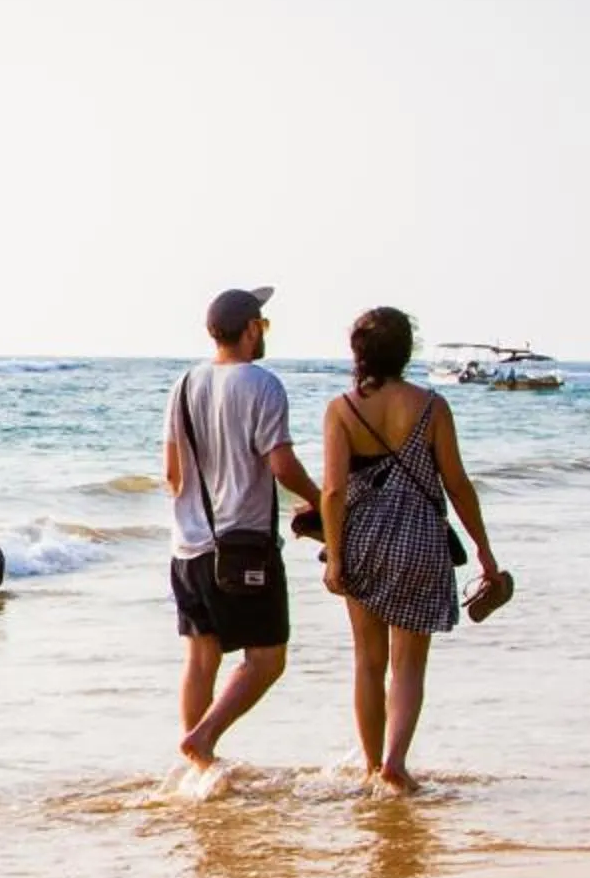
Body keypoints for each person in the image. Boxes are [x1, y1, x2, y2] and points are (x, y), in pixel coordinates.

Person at [315, 305, 507, 793]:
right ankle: (396, 763)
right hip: (420, 539)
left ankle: (369, 766)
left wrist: (335, 557)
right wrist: (484, 552)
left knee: (367, 659)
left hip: (361, 540)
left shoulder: (342, 409)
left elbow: (333, 492)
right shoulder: (432, 406)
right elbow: (458, 485)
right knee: (409, 663)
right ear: (407, 352)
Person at [167, 285, 323, 770]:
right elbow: (281, 465)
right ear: (252, 329)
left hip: (187, 546)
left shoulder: (184, 384)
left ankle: (199, 771)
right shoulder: (262, 384)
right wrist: (321, 502)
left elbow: (172, 473)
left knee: (200, 658)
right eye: (264, 325)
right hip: (245, 546)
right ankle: (204, 738)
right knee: (267, 660)